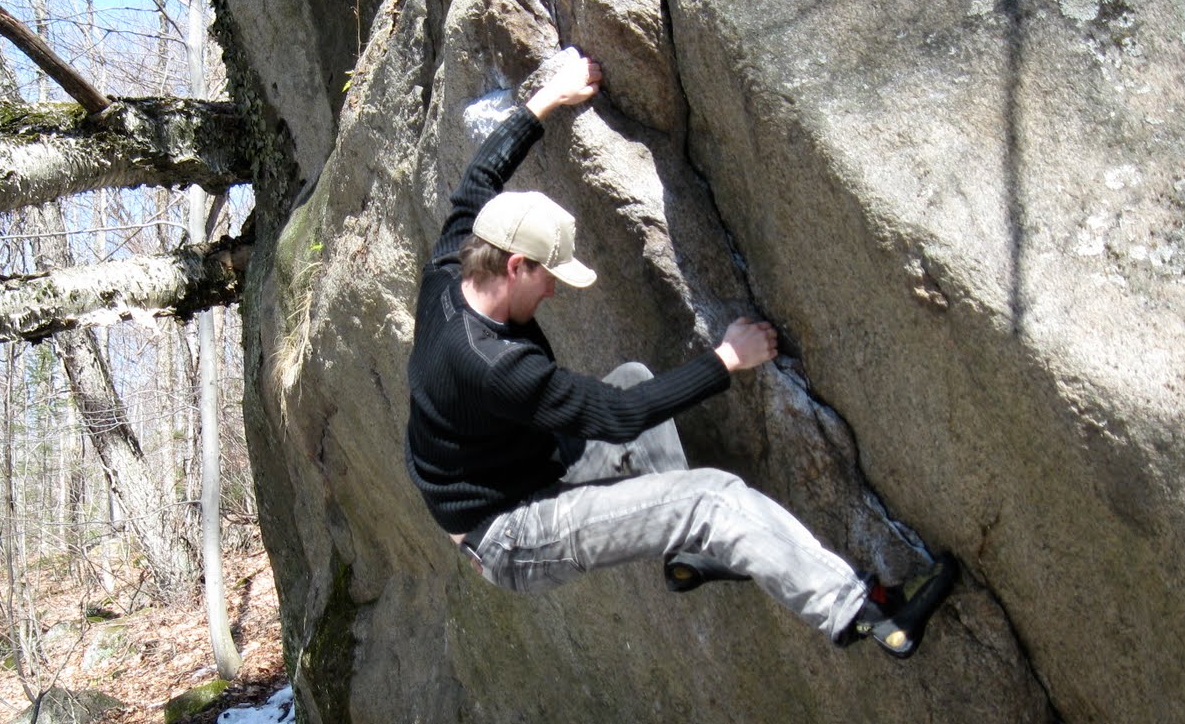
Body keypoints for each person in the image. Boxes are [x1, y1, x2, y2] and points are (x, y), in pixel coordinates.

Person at [404, 50, 956, 657]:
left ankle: (690, 554)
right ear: (515, 265)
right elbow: (618, 415)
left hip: (517, 469)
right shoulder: (494, 365)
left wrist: (550, 98)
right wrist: (727, 359)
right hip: (511, 532)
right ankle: (869, 613)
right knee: (709, 497)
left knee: (638, 379)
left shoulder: (450, 266)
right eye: (548, 276)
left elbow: (477, 181)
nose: (555, 288)